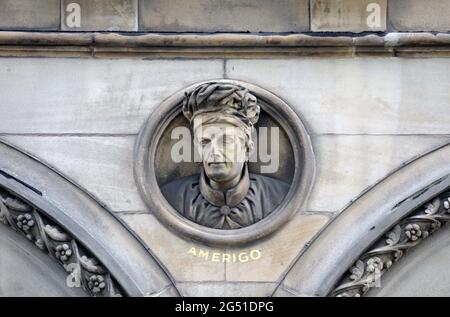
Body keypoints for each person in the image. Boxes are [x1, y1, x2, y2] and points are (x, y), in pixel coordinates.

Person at [161, 82, 289, 229]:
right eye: (205, 142)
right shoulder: (173, 197)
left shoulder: (278, 196)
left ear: (247, 149)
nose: (214, 151)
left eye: (226, 141)